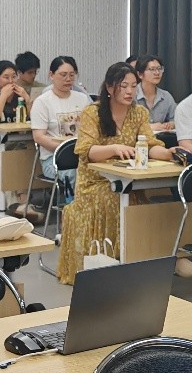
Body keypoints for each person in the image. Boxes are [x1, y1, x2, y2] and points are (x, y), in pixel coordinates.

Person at [57, 63, 173, 285]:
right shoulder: (93, 112)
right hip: (95, 182)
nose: (130, 91)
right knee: (113, 199)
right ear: (110, 88)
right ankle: (113, 265)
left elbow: (149, 145)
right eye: (124, 86)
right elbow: (87, 151)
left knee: (146, 202)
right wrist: (114, 148)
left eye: (133, 86)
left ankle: (145, 259)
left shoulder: (139, 113)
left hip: (128, 180)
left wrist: (168, 154)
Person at [0, 60, 38, 221]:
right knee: (1, 173)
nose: (11, 81)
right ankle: (13, 205)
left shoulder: (20, 94)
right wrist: (3, 96)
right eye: (6, 77)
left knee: (20, 164)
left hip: (13, 140)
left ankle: (24, 203)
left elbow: (35, 118)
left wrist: (27, 98)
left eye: (14, 76)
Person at [30, 56, 90, 197]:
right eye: (63, 75)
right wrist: (67, 151)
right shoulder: (42, 102)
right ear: (51, 75)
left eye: (72, 75)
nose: (68, 79)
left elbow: (91, 128)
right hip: (54, 160)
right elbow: (39, 137)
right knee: (74, 173)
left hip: (82, 156)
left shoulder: (82, 99)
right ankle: (72, 207)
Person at [134, 55, 176, 133]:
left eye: (159, 69)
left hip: (161, 138)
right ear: (140, 74)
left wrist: (170, 124)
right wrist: (150, 127)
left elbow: (175, 119)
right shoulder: (132, 95)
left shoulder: (166, 96)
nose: (157, 73)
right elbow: (125, 124)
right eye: (152, 69)